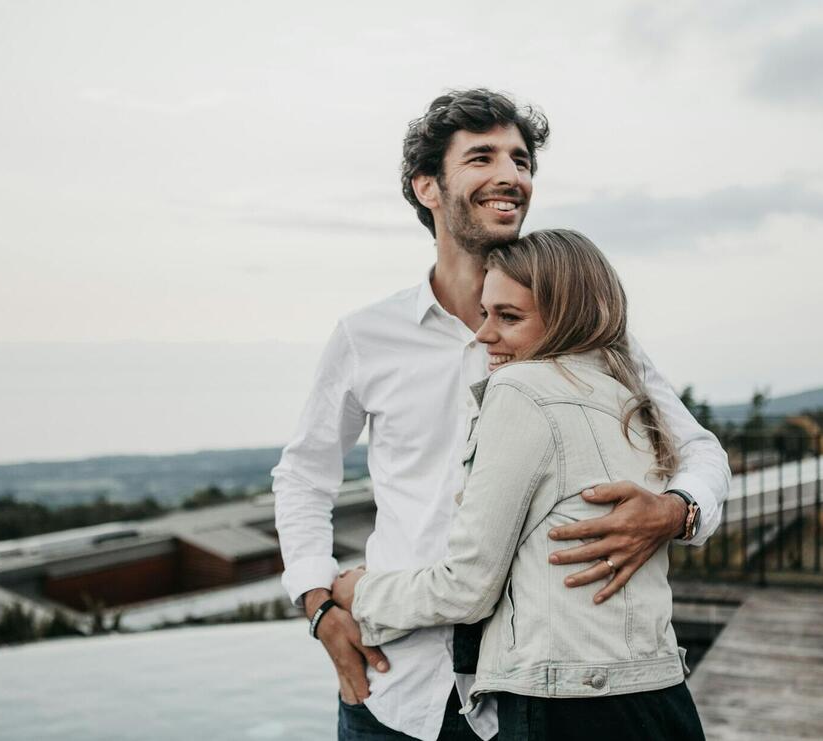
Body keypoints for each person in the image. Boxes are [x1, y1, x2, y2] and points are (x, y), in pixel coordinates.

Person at [272, 89, 730, 741]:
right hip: (394, 688)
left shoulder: (589, 337)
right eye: (483, 157)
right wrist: (320, 605)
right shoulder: (365, 335)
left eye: (521, 160)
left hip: (530, 703)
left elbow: (701, 450)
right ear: (427, 186)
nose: (511, 175)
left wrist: (678, 509)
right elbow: (303, 478)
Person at [331, 229, 706, 740]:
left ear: (569, 316)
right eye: (486, 313)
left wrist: (361, 594)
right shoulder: (627, 394)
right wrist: (681, 509)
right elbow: (703, 451)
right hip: (661, 692)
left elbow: (468, 587)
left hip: (567, 705)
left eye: (509, 317)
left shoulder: (520, 389)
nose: (484, 335)